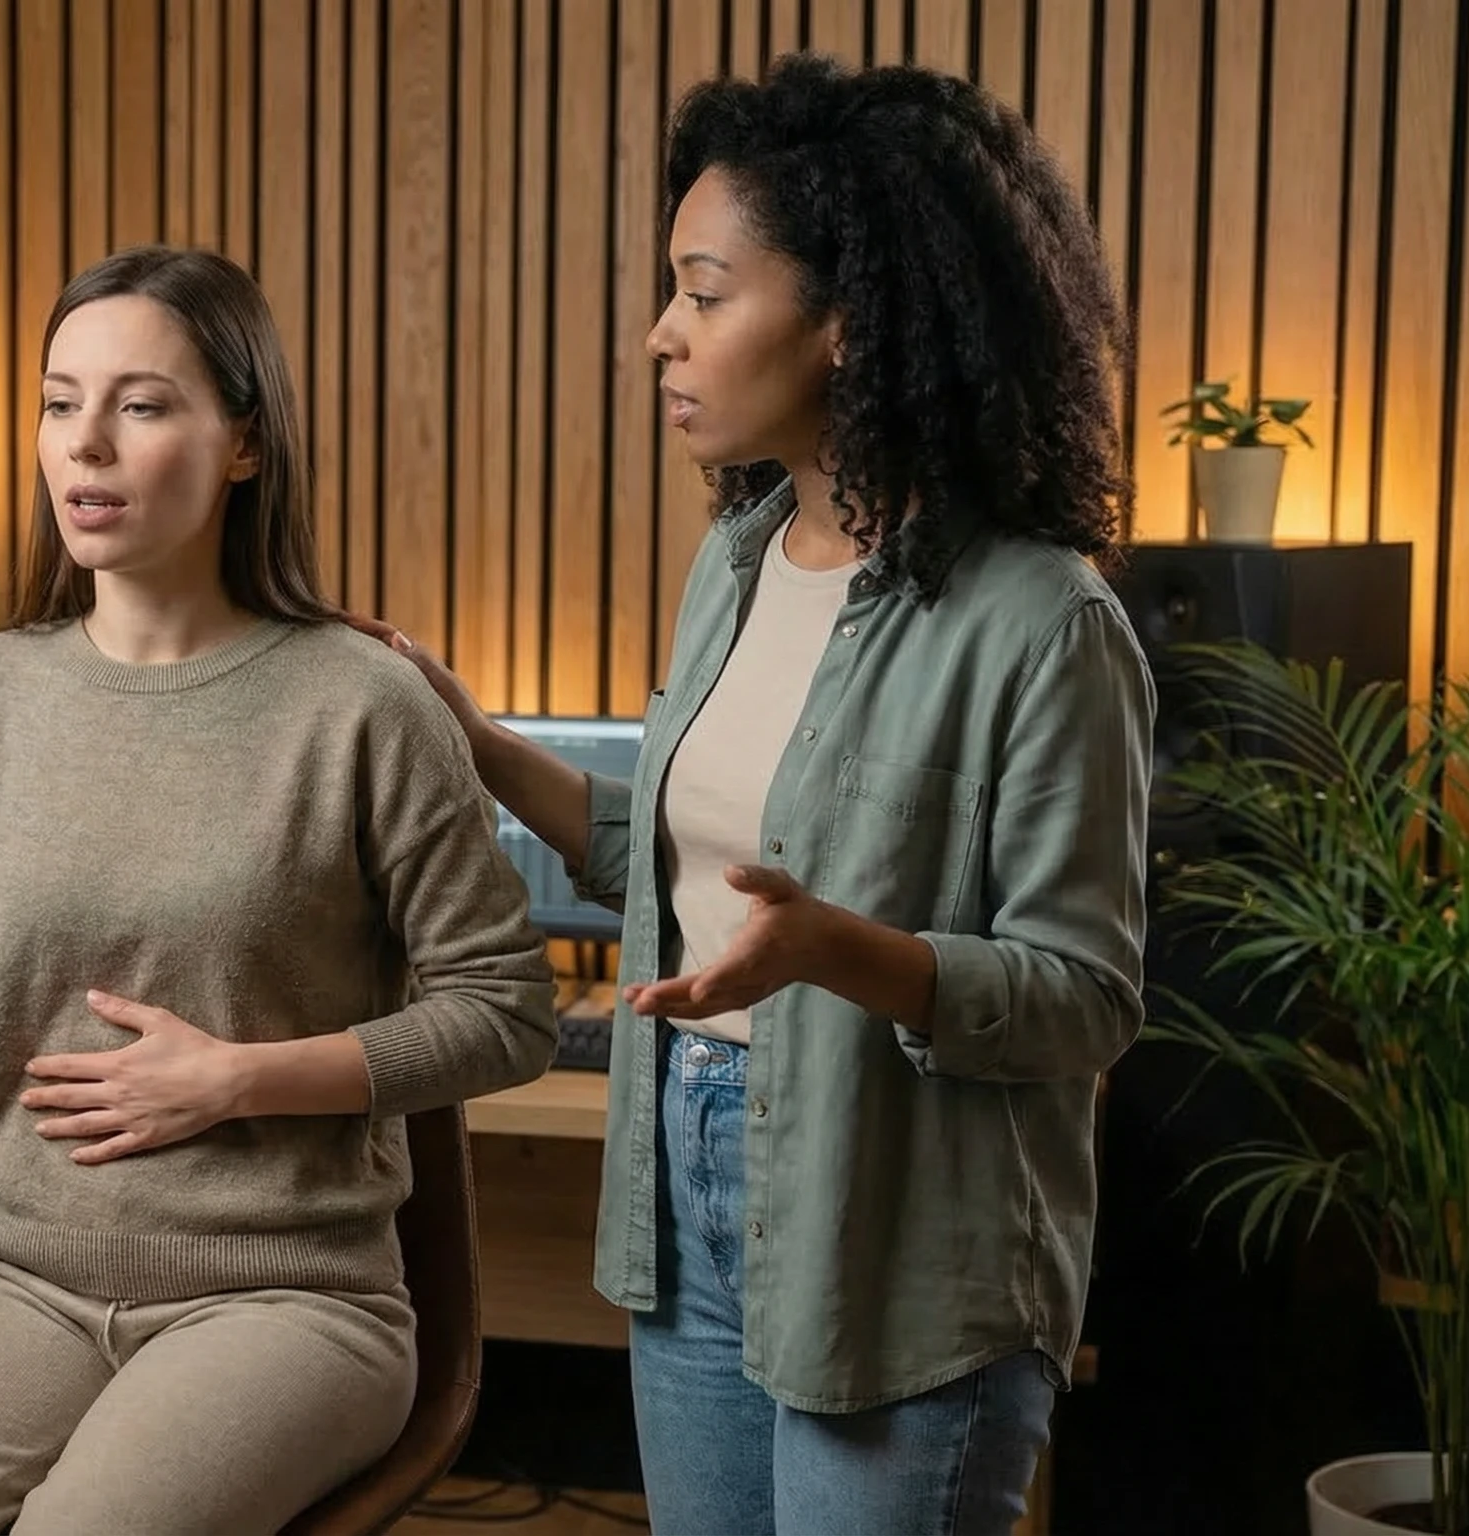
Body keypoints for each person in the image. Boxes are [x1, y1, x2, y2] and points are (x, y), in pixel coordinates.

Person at [354, 55, 1154, 1536]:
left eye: (705, 293)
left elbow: (1086, 998)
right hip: (688, 1195)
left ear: (847, 320)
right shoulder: (734, 561)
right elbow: (663, 866)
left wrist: (840, 953)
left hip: (904, 1244)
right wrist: (474, 738)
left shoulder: (1045, 622)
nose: (662, 334)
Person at [0, 244, 559, 1536]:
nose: (84, 445)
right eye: (58, 401)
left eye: (140, 406)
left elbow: (509, 1010)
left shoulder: (360, 704)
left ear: (243, 444)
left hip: (286, 1296)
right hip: (16, 1278)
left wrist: (239, 1078)